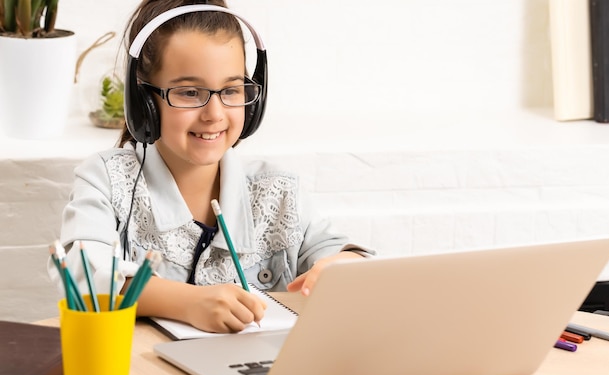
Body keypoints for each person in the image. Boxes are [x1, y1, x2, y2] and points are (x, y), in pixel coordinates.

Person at [48, 0, 373, 333]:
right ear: (144, 102)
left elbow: (338, 253)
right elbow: (84, 276)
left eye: (231, 90)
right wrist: (188, 302)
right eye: (190, 92)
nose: (214, 114)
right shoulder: (105, 179)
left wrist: (346, 265)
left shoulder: (278, 189)